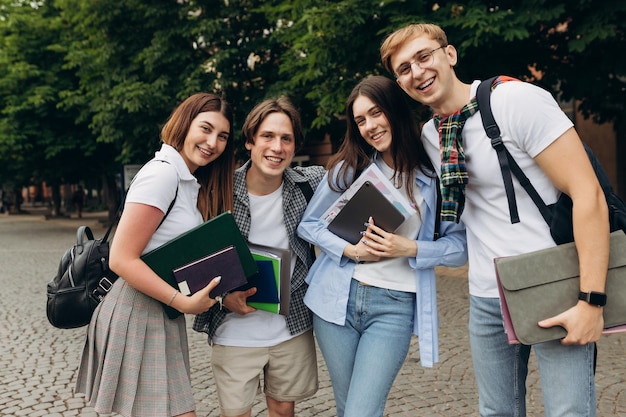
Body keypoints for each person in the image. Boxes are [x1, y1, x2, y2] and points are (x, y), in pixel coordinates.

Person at [380, 23, 610, 417]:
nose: (416, 72)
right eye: (403, 69)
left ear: (449, 55)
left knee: (569, 411)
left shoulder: (515, 100)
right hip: (487, 294)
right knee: (496, 412)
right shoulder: (432, 135)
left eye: (423, 56)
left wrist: (591, 302)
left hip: (553, 281)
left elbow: (588, 195)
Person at [296, 75, 467, 417]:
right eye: (360, 120)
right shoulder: (350, 169)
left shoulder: (433, 176)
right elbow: (309, 225)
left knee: (362, 410)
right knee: (349, 408)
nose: (370, 126)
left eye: (376, 113)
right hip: (336, 302)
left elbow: (460, 244)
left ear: (395, 110)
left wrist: (410, 248)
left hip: (394, 306)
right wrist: (351, 250)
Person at [75, 92, 236, 417]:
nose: (212, 142)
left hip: (158, 310)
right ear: (184, 124)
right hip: (138, 309)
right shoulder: (162, 174)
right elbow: (121, 258)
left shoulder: (186, 179)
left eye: (222, 136)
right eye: (205, 128)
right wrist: (182, 302)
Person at [193, 97, 325, 417]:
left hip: (290, 327)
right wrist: (224, 299)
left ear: (294, 147)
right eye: (267, 136)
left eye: (286, 138)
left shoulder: (311, 183)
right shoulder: (215, 189)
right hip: (233, 330)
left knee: (283, 410)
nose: (276, 147)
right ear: (250, 141)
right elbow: (194, 262)